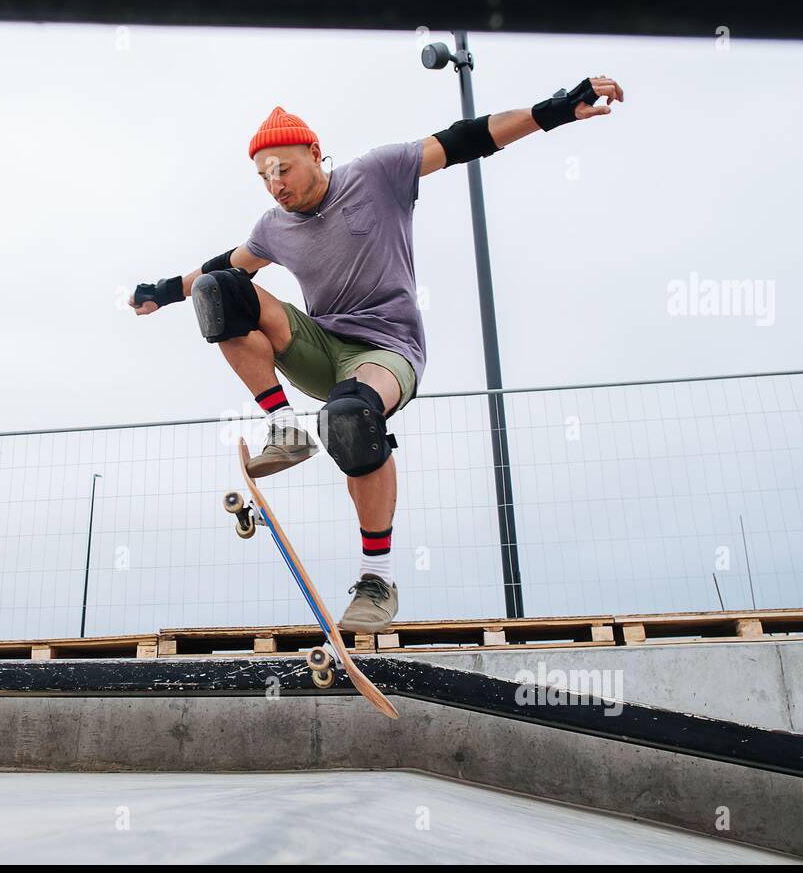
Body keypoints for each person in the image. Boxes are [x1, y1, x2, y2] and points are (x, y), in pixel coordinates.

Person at [129, 76, 624, 633]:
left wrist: (554, 110)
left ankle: (377, 577)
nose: (275, 185)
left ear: (314, 154)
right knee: (217, 290)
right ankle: (284, 427)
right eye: (264, 176)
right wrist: (165, 290)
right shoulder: (273, 227)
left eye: (283, 169)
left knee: (348, 418)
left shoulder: (376, 173)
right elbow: (223, 264)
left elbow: (466, 138)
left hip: (389, 352)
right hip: (319, 346)